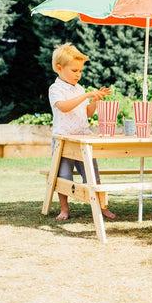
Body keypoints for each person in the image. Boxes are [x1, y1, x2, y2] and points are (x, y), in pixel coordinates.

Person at [49, 43, 115, 221]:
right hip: (64, 140)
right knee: (64, 176)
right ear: (59, 68)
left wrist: (94, 100)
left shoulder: (80, 89)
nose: (78, 74)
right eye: (74, 70)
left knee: (92, 174)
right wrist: (86, 96)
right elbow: (63, 107)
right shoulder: (55, 89)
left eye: (80, 71)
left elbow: (87, 112)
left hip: (82, 139)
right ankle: (64, 209)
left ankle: (102, 207)